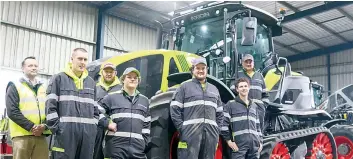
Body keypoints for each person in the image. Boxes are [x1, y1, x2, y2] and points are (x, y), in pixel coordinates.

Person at [45, 48, 100, 159]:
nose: (83, 62)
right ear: (72, 59)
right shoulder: (58, 79)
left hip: (87, 136)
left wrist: (93, 126)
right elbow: (50, 106)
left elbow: (95, 108)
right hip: (65, 135)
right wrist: (58, 128)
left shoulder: (91, 82)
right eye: (80, 58)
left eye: (85, 59)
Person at [170, 57, 223, 159]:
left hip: (210, 135)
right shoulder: (184, 87)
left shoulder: (214, 89)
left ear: (207, 70)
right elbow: (175, 109)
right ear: (192, 70)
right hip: (190, 134)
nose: (201, 71)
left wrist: (217, 129)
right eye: (198, 68)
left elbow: (220, 112)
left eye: (203, 68)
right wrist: (183, 128)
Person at [98, 67, 151, 159]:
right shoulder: (111, 98)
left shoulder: (144, 101)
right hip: (115, 149)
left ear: (138, 81)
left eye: (135, 77)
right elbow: (96, 111)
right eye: (129, 77)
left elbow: (146, 124)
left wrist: (143, 142)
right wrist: (107, 123)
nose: (133, 79)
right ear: (123, 80)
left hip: (137, 150)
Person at [6, 56, 51, 159]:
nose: (34, 68)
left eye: (36, 65)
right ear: (23, 68)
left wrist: (44, 126)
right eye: (30, 65)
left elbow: (50, 109)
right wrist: (32, 127)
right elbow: (12, 111)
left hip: (41, 135)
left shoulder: (44, 87)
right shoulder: (14, 85)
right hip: (21, 136)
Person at [222, 78, 262, 159]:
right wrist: (229, 141)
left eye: (245, 86)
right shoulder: (231, 105)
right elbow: (223, 125)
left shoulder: (254, 106)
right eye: (241, 87)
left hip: (254, 146)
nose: (243, 88)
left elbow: (258, 127)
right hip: (239, 146)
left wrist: (260, 142)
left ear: (249, 87)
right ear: (237, 89)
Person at [231, 54, 269, 135]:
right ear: (242, 63)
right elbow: (232, 89)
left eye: (250, 62)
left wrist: (264, 105)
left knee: (258, 130)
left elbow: (265, 94)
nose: (248, 64)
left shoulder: (260, 75)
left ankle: (259, 144)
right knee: (245, 130)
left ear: (253, 63)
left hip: (259, 109)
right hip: (243, 108)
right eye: (246, 62)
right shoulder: (238, 74)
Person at [94, 62, 122, 159]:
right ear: (102, 72)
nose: (108, 74)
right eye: (106, 71)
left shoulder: (121, 89)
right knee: (96, 154)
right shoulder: (95, 88)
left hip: (114, 128)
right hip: (97, 127)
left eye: (111, 72)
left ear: (116, 73)